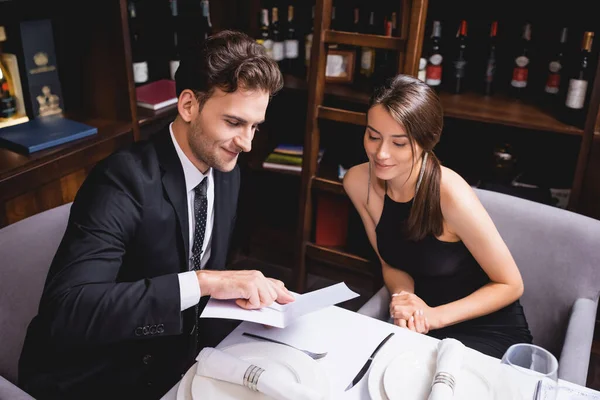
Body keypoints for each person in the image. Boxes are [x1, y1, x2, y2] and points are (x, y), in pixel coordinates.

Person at [18, 30, 293, 399]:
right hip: (97, 374)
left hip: (179, 358)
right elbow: (68, 311)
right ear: (189, 106)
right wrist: (204, 281)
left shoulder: (228, 169)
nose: (246, 143)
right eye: (233, 123)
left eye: (254, 126)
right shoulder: (121, 180)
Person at [343, 74, 532, 358]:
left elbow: (511, 284)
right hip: (423, 327)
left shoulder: (449, 193)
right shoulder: (357, 182)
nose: (381, 153)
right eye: (373, 136)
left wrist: (433, 317)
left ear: (426, 141)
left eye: (399, 143)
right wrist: (404, 297)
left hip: (487, 331)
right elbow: (390, 263)